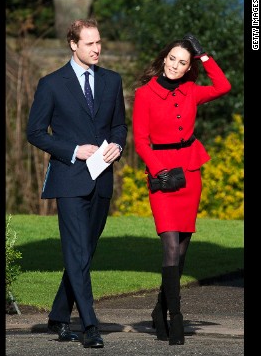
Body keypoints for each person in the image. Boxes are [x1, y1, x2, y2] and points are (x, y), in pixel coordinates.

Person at [26, 18, 127, 348]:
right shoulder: (51, 84)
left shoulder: (112, 81)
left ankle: (58, 315)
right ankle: (90, 325)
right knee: (78, 251)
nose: (96, 49)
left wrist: (117, 145)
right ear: (73, 44)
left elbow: (119, 127)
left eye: (99, 42)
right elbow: (36, 132)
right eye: (89, 43)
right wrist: (72, 150)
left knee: (85, 254)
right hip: (69, 180)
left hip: (102, 180)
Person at [132, 33, 231, 345]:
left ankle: (160, 309)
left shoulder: (190, 90)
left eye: (182, 62)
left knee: (184, 247)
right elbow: (140, 141)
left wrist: (202, 54)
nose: (175, 65)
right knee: (170, 245)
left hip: (189, 171)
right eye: (172, 59)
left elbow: (223, 86)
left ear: (189, 67)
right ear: (164, 59)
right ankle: (175, 317)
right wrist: (160, 171)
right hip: (163, 175)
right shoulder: (144, 94)